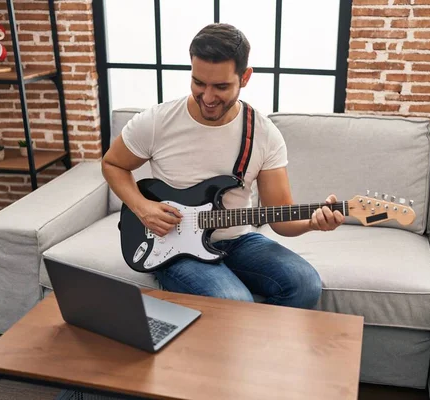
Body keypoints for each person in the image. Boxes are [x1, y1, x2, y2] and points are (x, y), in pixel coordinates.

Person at [102, 23, 344, 310]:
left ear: (245, 77)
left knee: (305, 283)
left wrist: (313, 223)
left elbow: (281, 219)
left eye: (221, 86)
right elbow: (112, 164)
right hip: (172, 247)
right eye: (198, 83)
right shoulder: (157, 121)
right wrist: (143, 208)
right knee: (234, 302)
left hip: (238, 240)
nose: (207, 97)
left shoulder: (264, 134)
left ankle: (263, 350)